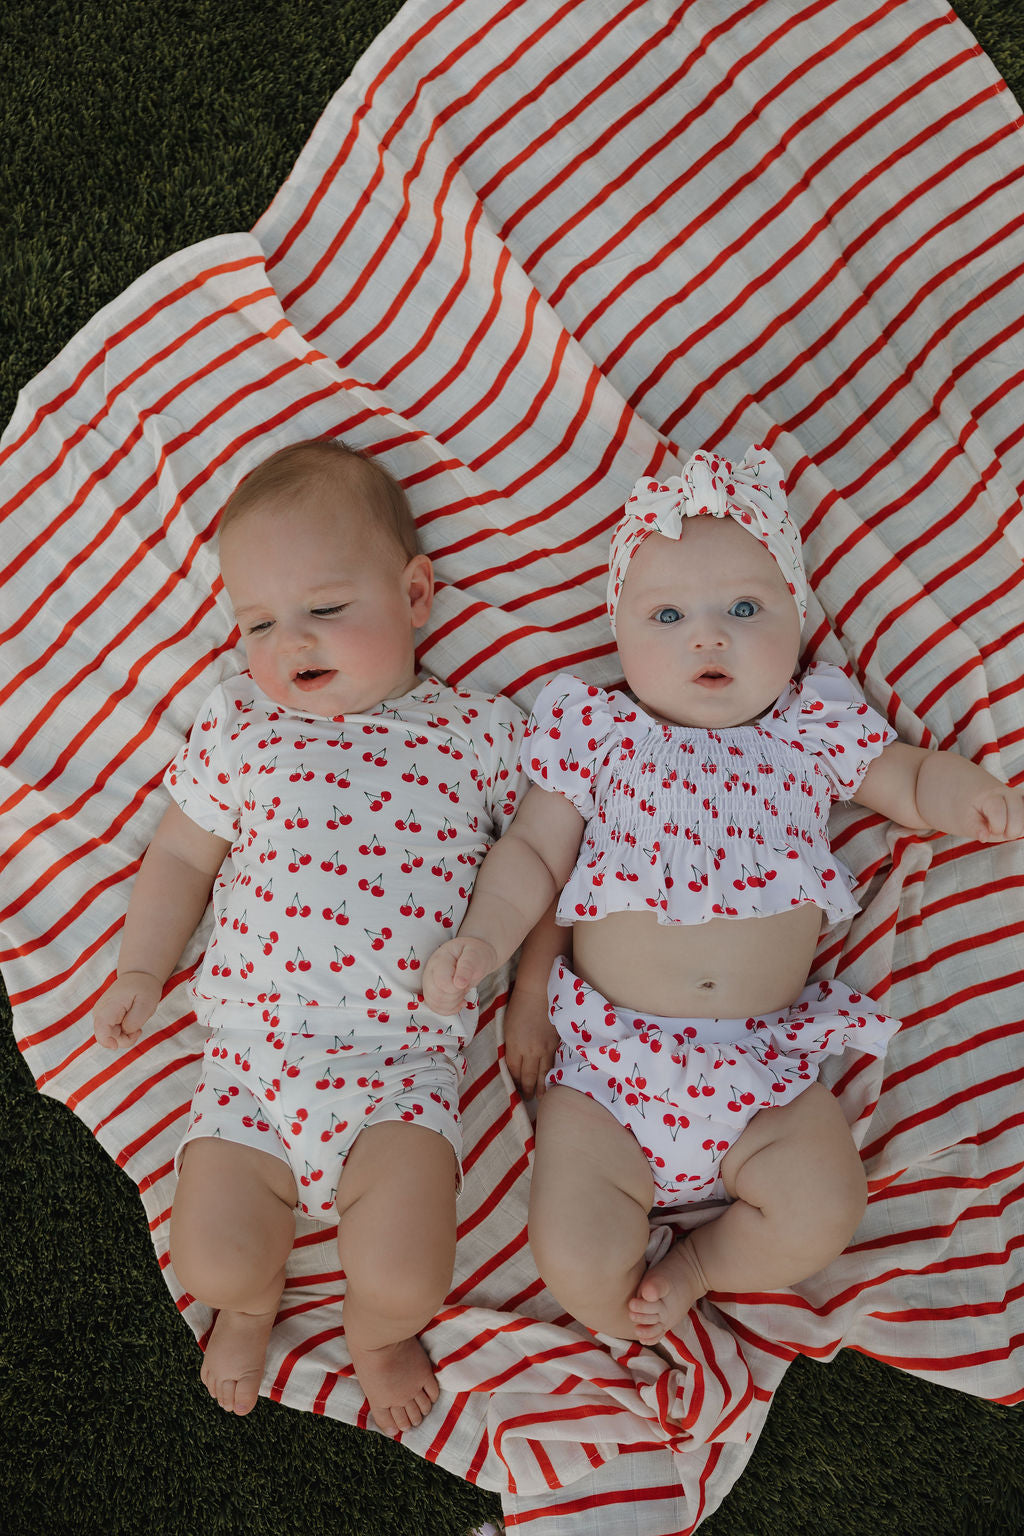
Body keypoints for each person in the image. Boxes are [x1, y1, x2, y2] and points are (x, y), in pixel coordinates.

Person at [423, 444, 1024, 1346]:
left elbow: (902, 778)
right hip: (608, 1074)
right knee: (574, 1249)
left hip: (763, 1075)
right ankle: (618, 1315)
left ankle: (700, 1267)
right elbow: (532, 857)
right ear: (618, 632)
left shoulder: (812, 724)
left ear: (796, 616)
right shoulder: (598, 731)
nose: (709, 636)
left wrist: (966, 797)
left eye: (745, 608)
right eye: (667, 614)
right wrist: (487, 941)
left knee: (826, 1205)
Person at [93, 439, 526, 1432]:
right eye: (257, 622)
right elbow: (182, 858)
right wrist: (142, 963)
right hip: (250, 1061)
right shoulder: (242, 726)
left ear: (417, 595)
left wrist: (523, 980)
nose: (291, 644)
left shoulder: (476, 734)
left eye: (326, 610)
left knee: (407, 1270)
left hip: (400, 1063)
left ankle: (377, 1333)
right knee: (212, 1257)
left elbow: (536, 864)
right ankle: (250, 1306)